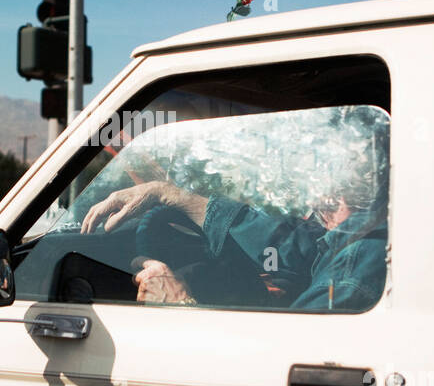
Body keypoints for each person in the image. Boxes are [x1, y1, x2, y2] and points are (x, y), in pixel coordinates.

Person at [81, 112, 389, 311]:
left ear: (333, 194)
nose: (310, 204)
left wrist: (180, 302)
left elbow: (283, 363)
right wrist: (172, 195)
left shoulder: (354, 274)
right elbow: (291, 245)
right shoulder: (347, 238)